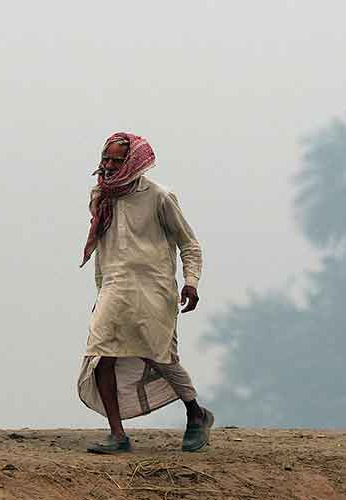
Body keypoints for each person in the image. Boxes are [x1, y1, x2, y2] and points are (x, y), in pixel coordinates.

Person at [77, 132, 213, 454]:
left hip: (154, 290)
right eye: (105, 159)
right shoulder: (101, 195)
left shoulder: (160, 197)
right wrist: (103, 288)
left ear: (133, 162)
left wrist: (191, 282)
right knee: (100, 357)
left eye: (116, 161)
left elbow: (188, 243)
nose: (108, 166)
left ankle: (196, 413)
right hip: (113, 289)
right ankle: (117, 434)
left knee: (160, 356)